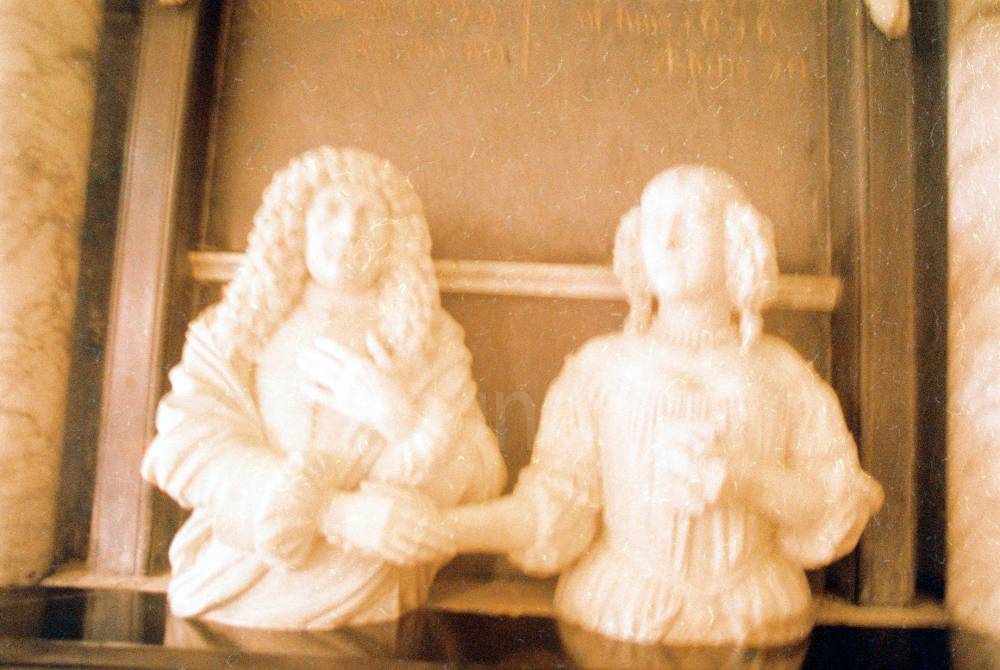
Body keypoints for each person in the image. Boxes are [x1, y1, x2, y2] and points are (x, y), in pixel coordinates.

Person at [444, 165, 884, 646]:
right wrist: (446, 529)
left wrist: (744, 480)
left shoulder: (781, 374)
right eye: (655, 222)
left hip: (757, 613)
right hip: (620, 609)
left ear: (736, 240)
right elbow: (555, 505)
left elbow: (834, 499)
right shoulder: (599, 370)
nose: (668, 240)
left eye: (692, 220)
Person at [142, 147, 505, 630]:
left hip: (370, 581)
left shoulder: (431, 341)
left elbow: (481, 476)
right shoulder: (232, 329)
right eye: (331, 209)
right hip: (240, 575)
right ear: (297, 223)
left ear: (394, 236)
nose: (350, 230)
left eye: (368, 214)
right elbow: (185, 451)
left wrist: (399, 418)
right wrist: (335, 514)